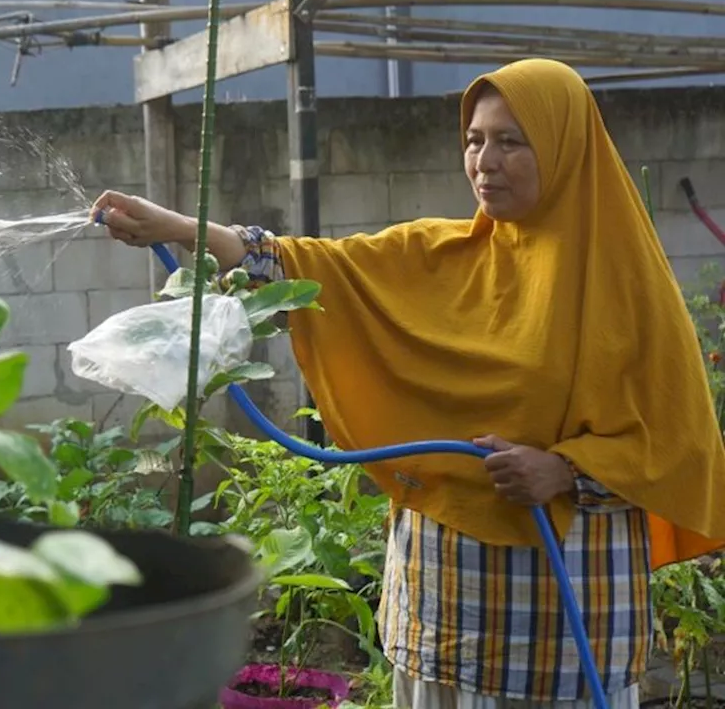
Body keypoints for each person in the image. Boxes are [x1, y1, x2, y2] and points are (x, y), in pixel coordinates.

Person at [91, 58, 725, 708]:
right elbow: (306, 266)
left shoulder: (629, 290)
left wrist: (565, 471)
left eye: (511, 141)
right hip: (446, 603)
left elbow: (678, 443)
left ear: (565, 146)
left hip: (566, 619)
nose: (484, 160)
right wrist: (173, 228)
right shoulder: (436, 258)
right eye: (475, 140)